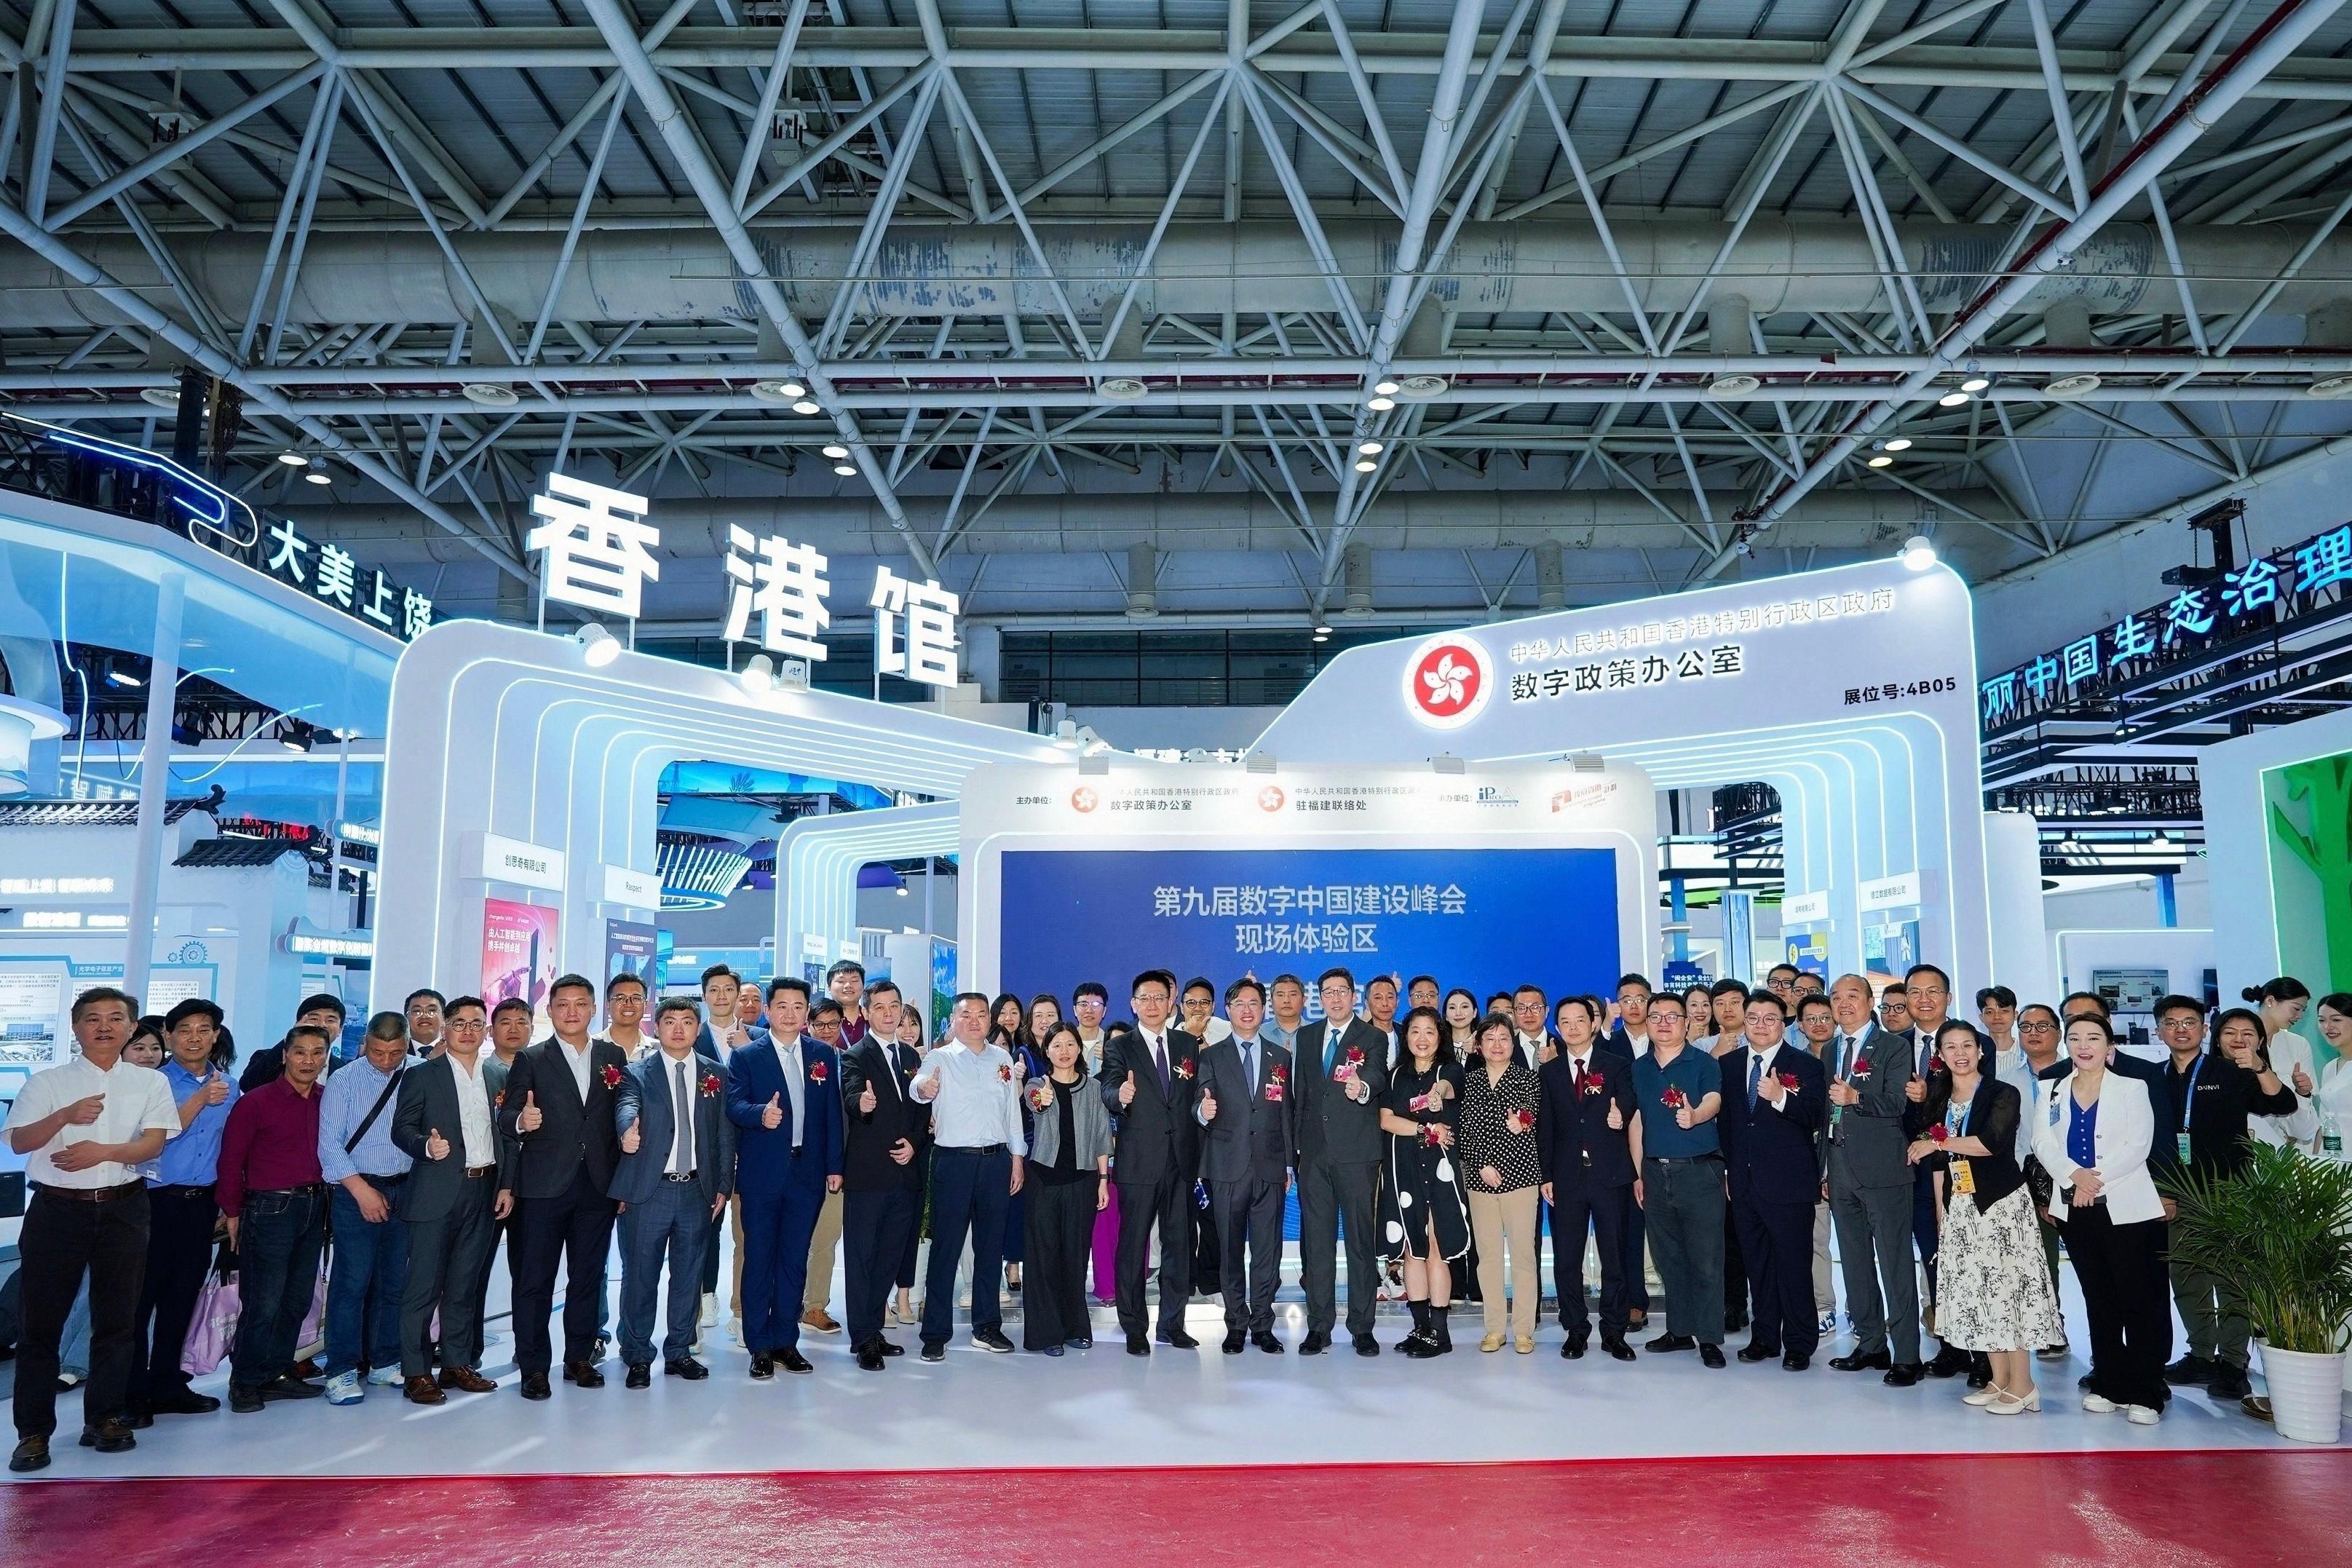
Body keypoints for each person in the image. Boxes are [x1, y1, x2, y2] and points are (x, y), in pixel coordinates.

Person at [5, 988, 178, 1473]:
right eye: (92, 1019)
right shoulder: (48, 1082)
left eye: (115, 1018)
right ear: (76, 1028)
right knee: (40, 1327)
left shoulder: (150, 1084)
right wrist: (65, 1116)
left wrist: (101, 1152)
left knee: (118, 1322)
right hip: (57, 1211)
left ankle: (104, 1418)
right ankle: (33, 1432)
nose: (104, 1026)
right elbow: (20, 1142)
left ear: (131, 1028)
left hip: (124, 1209)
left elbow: (151, 1146)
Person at [1909, 1019, 2056, 1415]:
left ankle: (2024, 1384)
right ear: (1939, 1055)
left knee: (2009, 1290)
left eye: (1967, 1046)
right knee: (1980, 1292)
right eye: (1950, 1047)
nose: (1960, 1053)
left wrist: (1934, 1142)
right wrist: (1942, 1214)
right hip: (1959, 1207)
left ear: (1980, 1051)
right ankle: (1998, 1378)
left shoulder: (2001, 1092)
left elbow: (1991, 1143)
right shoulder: (1937, 1098)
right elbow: (1940, 1163)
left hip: (2001, 1204)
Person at [496, 974, 629, 1400]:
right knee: (534, 1280)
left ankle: (578, 1358)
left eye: (581, 1003)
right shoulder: (531, 1059)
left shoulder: (613, 1055)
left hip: (597, 1186)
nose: (572, 1011)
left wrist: (622, 1179)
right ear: (549, 1011)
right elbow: (507, 1116)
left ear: (594, 1009)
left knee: (588, 1277)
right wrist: (521, 1121)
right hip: (541, 1187)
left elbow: (618, 1118)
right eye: (563, 1004)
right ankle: (534, 1367)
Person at [2158, 1000, 2297, 1403]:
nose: (2181, 1029)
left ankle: (2234, 1364)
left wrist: (2257, 1065)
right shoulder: (2153, 1077)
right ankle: (2201, 1355)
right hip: (2177, 1190)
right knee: (2185, 1275)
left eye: (2190, 1023)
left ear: (2204, 1031)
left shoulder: (2230, 1071)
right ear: (2161, 1031)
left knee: (2233, 1277)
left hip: (2230, 1189)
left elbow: (2282, 1105)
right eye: (2171, 1023)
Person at [2038, 1012, 2171, 1422]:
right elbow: (2041, 1141)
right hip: (2075, 1210)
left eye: (2093, 1038)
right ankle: (2109, 1383)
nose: (2084, 1045)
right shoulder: (2052, 1090)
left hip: (2127, 1208)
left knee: (2138, 1299)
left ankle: (2147, 1390)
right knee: (2099, 1299)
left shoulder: (2133, 1088)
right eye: (2075, 1038)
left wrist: (2092, 1181)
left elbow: (2138, 1145)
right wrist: (2072, 1177)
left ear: (2108, 1046)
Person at [612, 997, 735, 1387]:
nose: (679, 1028)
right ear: (658, 1027)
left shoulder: (715, 1073)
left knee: (689, 1275)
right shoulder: (636, 1073)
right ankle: (636, 1354)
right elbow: (626, 1105)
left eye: (687, 1021)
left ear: (698, 1029)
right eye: (670, 1021)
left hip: (697, 1191)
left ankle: (680, 1350)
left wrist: (722, 1185)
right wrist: (627, 1127)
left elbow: (723, 1135)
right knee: (640, 1277)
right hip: (648, 1191)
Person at [389, 996, 504, 1405]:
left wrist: (506, 1185)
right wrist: (424, 1147)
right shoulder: (423, 1075)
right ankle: (416, 1372)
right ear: (445, 1028)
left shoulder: (497, 1075)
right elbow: (401, 1129)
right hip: (435, 1193)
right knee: (423, 1288)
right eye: (459, 1023)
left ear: (486, 1031)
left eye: (477, 1023)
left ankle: (456, 1364)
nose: (468, 1030)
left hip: (484, 1190)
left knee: (464, 1285)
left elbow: (504, 1135)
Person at [726, 977, 842, 1377]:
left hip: (807, 1174)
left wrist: (834, 1166)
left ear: (806, 1011)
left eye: (798, 1006)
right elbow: (734, 1104)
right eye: (782, 1006)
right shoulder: (747, 1056)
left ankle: (785, 1342)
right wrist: (760, 1114)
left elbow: (831, 1117)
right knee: (759, 1259)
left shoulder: (823, 1054)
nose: (790, 1013)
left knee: (794, 1260)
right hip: (762, 1175)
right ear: (768, 1010)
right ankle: (759, 1345)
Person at [130, 998, 237, 1423]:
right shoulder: (150, 1084)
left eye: (204, 1029)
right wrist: (198, 1100)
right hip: (152, 1202)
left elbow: (231, 1151)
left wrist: (229, 1204)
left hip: (201, 1206)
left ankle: (169, 1384)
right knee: (139, 1302)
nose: (195, 1037)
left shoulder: (229, 1086)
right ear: (169, 1037)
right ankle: (132, 1392)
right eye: (185, 1029)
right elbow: (154, 1138)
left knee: (182, 1298)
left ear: (215, 1037)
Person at [217, 1023, 333, 1414]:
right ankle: (245, 1381)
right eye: (300, 1052)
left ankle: (278, 1372)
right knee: (262, 1300)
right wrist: (231, 1210)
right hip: (269, 1208)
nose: (309, 1061)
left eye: (318, 1053)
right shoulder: (256, 1101)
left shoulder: (326, 1098)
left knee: (298, 1298)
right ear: (285, 1055)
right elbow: (231, 1159)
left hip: (315, 1205)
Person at [911, 992, 1026, 1361]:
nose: (975, 1021)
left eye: (981, 1015)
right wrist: (924, 1089)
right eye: (966, 1015)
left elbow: (1012, 1114)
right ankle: (935, 1333)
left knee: (990, 1248)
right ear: (953, 1021)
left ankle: (987, 1327)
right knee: (946, 1248)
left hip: (996, 1161)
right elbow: (920, 1087)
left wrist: (1018, 1158)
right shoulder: (939, 1058)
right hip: (953, 1163)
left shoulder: (1002, 1059)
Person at [1822, 973, 1924, 1384]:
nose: (1844, 1004)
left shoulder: (1894, 1046)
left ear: (1870, 1002)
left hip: (1883, 1170)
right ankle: (1870, 1344)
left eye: (1853, 997)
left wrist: (1856, 1098)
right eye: (1836, 998)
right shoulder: (1829, 1049)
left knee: (1896, 1263)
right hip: (1839, 1168)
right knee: (1855, 1262)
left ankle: (1908, 1356)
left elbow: (1900, 1102)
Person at [1718, 991, 1827, 1370]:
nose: (1761, 1025)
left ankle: (1799, 1342)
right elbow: (1728, 1125)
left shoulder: (1805, 1065)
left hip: (1789, 1183)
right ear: (1743, 1022)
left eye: (1770, 1018)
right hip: (1744, 1184)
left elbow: (1816, 1117)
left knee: (1794, 1266)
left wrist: (1782, 1097)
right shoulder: (1730, 1065)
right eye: (1753, 1018)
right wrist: (1730, 1172)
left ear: (1784, 1024)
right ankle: (1764, 1337)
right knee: (1757, 1265)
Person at [1101, 969, 1203, 1355]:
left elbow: (1194, 1094)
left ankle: (1173, 1325)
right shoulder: (1120, 1047)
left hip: (1181, 1162)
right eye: (1145, 998)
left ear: (1170, 1002)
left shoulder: (1187, 1044)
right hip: (1139, 1162)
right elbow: (1109, 1086)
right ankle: (1133, 1327)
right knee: (1134, 1247)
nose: (1153, 1005)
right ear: (1133, 1004)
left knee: (1180, 1246)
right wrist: (1120, 1095)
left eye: (1160, 998)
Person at [316, 1010, 416, 1406]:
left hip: (407, 1190)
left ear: (407, 1044)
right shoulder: (344, 1080)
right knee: (351, 1283)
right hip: (357, 1188)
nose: (387, 1061)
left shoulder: (422, 1073)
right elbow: (329, 1145)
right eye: (378, 1052)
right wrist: (361, 1190)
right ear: (366, 1043)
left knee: (395, 1283)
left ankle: (385, 1360)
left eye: (395, 1053)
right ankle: (340, 1370)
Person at [1293, 967, 1391, 1357]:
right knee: (1316, 1245)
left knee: (1360, 1243)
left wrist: (1362, 1087)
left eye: (1341, 991)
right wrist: (1295, 1153)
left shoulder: (1373, 1036)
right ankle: (1319, 1327)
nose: (1335, 998)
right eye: (1327, 992)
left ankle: (1362, 1327)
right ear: (1321, 998)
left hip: (1357, 1155)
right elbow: (1300, 1096)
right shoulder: (1307, 1035)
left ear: (1355, 996)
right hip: (1314, 1156)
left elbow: (1377, 1075)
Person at [1535, 997, 1639, 1360]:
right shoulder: (1547, 1073)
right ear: (1558, 1027)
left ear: (1593, 1024)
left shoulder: (1616, 1064)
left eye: (1580, 1020)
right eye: (1565, 1021)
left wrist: (1620, 1115)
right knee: (1567, 1258)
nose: (1573, 1027)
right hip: (1565, 1178)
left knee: (1614, 1255)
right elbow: (1544, 1128)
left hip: (1610, 1174)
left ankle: (1614, 1331)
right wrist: (1545, 1174)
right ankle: (1575, 1328)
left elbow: (1628, 1101)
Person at [1627, 994, 1726, 1366]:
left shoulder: (1702, 1062)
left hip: (1699, 1170)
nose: (1664, 1022)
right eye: (1656, 1017)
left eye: (1672, 1016)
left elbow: (1713, 1100)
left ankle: (1710, 1338)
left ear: (1687, 1023)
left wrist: (1696, 1115)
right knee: (1669, 1258)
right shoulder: (1639, 1068)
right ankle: (1680, 1330)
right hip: (1654, 1171)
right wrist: (1638, 1173)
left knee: (1706, 1259)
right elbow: (1636, 1122)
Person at [1197, 978, 1294, 1355]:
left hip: (1269, 1169)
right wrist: (1202, 1112)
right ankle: (1235, 1324)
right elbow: (1199, 1101)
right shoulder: (1211, 1056)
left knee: (1268, 1252)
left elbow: (1284, 1111)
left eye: (1255, 1003)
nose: (1248, 1010)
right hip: (1226, 1167)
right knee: (1230, 1251)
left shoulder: (1279, 1057)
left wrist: (1288, 1164)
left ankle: (1263, 1325)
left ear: (1264, 1009)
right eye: (1240, 1004)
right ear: (1229, 1009)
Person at [840, 980, 927, 1369]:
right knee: (862, 1258)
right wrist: (863, 1102)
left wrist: (913, 1142)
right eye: (880, 1007)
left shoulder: (911, 1056)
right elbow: (851, 1095)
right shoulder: (854, 1056)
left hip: (906, 1175)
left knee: (890, 1257)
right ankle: (862, 1338)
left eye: (895, 1006)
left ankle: (874, 1328)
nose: (889, 1013)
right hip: (869, 1175)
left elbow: (922, 1106)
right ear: (867, 1011)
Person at [1899, 963, 1981, 1379]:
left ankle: (1984, 1351)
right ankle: (1951, 1345)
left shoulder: (1971, 1043)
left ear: (1948, 997)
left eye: (1934, 991)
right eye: (1916, 992)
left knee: (1973, 1259)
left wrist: (1932, 1094)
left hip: (1965, 1173)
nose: (1924, 999)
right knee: (1935, 1259)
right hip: (1913, 1173)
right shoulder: (1894, 1045)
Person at [1378, 1007, 1468, 1357]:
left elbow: (1447, 1090)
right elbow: (1387, 1120)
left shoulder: (1452, 1071)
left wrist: (1437, 1094)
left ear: (1440, 1036)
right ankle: (1419, 1328)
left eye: (1429, 1032)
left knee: (1435, 1248)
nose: (1422, 1038)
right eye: (1415, 1031)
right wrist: (1424, 1129)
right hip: (1404, 1168)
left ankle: (1440, 1333)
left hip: (1441, 1170)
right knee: (1410, 1249)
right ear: (1406, 1037)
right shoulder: (1395, 1075)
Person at [1023, 1023, 1113, 1354]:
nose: (1064, 1050)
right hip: (1044, 1182)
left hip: (1082, 1181)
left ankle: (1075, 1328)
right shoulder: (1038, 1083)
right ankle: (1046, 1334)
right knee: (1043, 1258)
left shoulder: (1093, 1089)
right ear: (1047, 1051)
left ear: (1079, 1049)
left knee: (1075, 1258)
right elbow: (1035, 1101)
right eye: (1056, 1045)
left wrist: (1103, 1180)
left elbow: (1103, 1136)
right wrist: (1040, 1097)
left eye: (1070, 1044)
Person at [1460, 1015, 1544, 1353]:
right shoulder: (1471, 1080)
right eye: (1490, 1039)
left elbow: (1529, 1121)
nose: (1497, 1045)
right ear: (1479, 1045)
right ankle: (1494, 1328)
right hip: (1481, 1180)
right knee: (1489, 1257)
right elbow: (1466, 1131)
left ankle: (1524, 1328)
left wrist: (1519, 1123)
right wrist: (1482, 1166)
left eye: (1504, 1039)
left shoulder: (1528, 1079)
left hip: (1521, 1177)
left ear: (1514, 1043)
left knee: (1524, 1255)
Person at [799, 986, 855, 1339]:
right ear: (808, 1025)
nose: (827, 1031)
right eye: (820, 1024)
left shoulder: (849, 1061)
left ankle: (815, 1305)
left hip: (839, 1166)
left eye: (833, 1024)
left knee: (825, 1239)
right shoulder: (796, 1060)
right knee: (792, 1238)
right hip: (800, 1163)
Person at [1793, 992, 1840, 1332]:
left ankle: (1865, 1312)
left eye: (1825, 1017)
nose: (1818, 1024)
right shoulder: (1794, 1063)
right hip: (1812, 1165)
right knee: (1816, 1241)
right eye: (1811, 1018)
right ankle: (1823, 1307)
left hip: (1852, 1162)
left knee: (1859, 1245)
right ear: (1799, 1024)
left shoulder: (1850, 1057)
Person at [2245, 978, 2320, 1153]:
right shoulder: (2240, 1039)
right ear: (2270, 1001)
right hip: (2249, 1142)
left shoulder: (2299, 1044)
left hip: (2292, 1146)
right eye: (2296, 1008)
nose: (2299, 1016)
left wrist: (2303, 1091)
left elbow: (2306, 1107)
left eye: (2303, 1011)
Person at [893, 1001, 932, 1326]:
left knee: (913, 1230)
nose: (908, 1030)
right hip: (886, 1156)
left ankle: (905, 1296)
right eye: (902, 1023)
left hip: (921, 1155)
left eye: (914, 1024)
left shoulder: (931, 1061)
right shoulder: (883, 1058)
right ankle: (880, 1300)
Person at [239, 992, 348, 1090]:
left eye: (330, 1020)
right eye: (314, 1019)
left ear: (340, 1029)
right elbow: (248, 1086)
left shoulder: (345, 1069)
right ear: (299, 1023)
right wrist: (291, 1039)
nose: (322, 1025)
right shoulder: (265, 1056)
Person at [605, 972, 651, 1058]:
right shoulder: (590, 1047)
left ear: (646, 1005)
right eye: (621, 999)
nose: (628, 1004)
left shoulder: (659, 1051)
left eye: (636, 998)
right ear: (608, 1005)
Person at [1179, 975, 1232, 1047]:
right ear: (1182, 1008)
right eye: (1191, 1003)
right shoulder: (1170, 1039)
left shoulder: (1228, 1032)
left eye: (1204, 1002)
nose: (1198, 1008)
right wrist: (1197, 1035)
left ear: (1213, 1007)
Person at [826, 959, 869, 1045]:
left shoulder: (873, 1020)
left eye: (854, 981)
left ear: (863, 986)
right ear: (829, 987)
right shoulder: (818, 1023)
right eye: (841, 981)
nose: (848, 985)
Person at [404, 989, 446, 1059]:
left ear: (444, 1017)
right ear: (406, 1018)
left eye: (432, 1011)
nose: (424, 1016)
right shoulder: (397, 1052)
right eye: (417, 1011)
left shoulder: (453, 1051)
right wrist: (430, 1058)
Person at [1443, 989, 1482, 1060]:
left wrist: (1476, 1052)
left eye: (1464, 1007)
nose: (1458, 1013)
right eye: (1452, 1008)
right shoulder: (1438, 1046)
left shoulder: (1484, 1044)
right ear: (1446, 1015)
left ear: (1474, 1012)